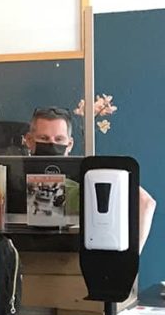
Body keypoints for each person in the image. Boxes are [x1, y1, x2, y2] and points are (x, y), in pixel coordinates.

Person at [25, 106, 156, 249]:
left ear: (69, 145)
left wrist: (130, 259)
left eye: (59, 139)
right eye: (44, 138)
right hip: (24, 255)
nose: (52, 144)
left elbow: (146, 202)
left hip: (76, 261)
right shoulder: (13, 176)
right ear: (29, 140)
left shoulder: (87, 177)